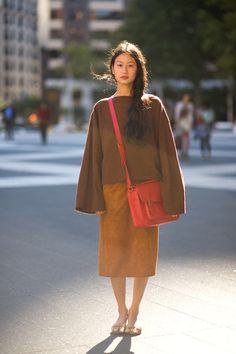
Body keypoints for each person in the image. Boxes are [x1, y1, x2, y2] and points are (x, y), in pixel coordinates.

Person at [75, 41, 186, 336]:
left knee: (141, 254)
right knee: (114, 255)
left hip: (146, 192)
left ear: (139, 70)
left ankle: (134, 312)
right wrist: (94, 197)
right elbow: (93, 155)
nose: (125, 70)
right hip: (111, 191)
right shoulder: (102, 108)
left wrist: (172, 195)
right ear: (112, 70)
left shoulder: (153, 105)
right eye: (120, 65)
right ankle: (120, 311)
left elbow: (167, 151)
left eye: (131, 65)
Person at [174, 94, 194, 159]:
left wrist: (190, 123)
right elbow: (176, 113)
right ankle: (179, 152)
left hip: (186, 123)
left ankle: (185, 152)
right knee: (179, 138)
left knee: (186, 139)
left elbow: (190, 115)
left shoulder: (190, 105)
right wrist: (177, 122)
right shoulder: (179, 105)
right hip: (180, 122)